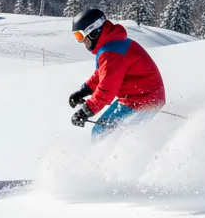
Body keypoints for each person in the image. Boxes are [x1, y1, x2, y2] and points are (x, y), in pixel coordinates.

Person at [68, 8, 166, 138]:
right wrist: (84, 91)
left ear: (93, 32)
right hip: (136, 97)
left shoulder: (112, 54)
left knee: (102, 133)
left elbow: (106, 90)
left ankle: (114, 157)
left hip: (144, 100)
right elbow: (102, 75)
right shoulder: (111, 46)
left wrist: (86, 111)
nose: (80, 42)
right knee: (101, 131)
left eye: (80, 36)